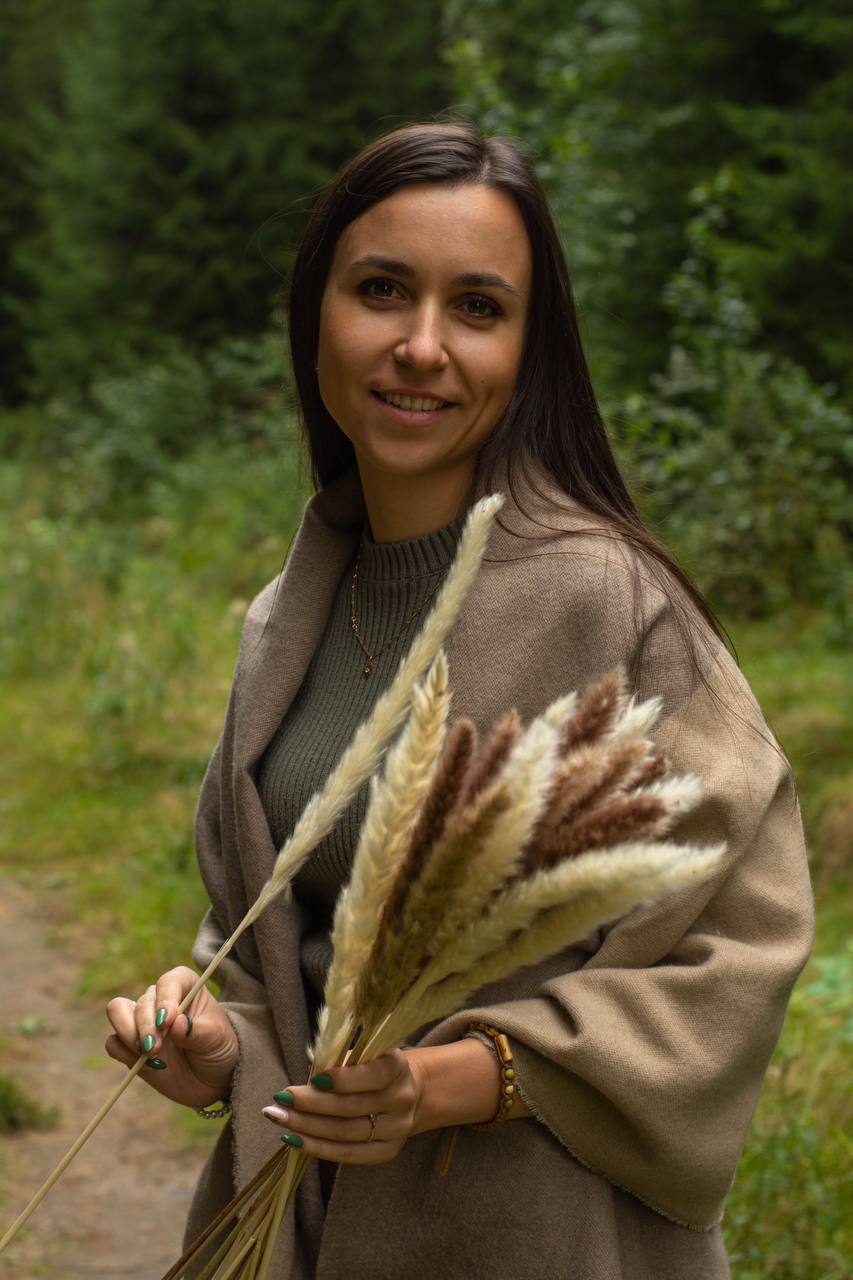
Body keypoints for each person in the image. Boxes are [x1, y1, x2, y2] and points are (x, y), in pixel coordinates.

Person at [104, 120, 813, 1279]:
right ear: (315, 315)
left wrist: (461, 1077)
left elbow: (742, 939)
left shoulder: (608, 599)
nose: (420, 345)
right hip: (298, 1224)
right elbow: (277, 936)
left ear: (530, 349)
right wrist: (214, 1033)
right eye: (381, 289)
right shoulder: (282, 618)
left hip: (535, 1234)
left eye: (477, 308)